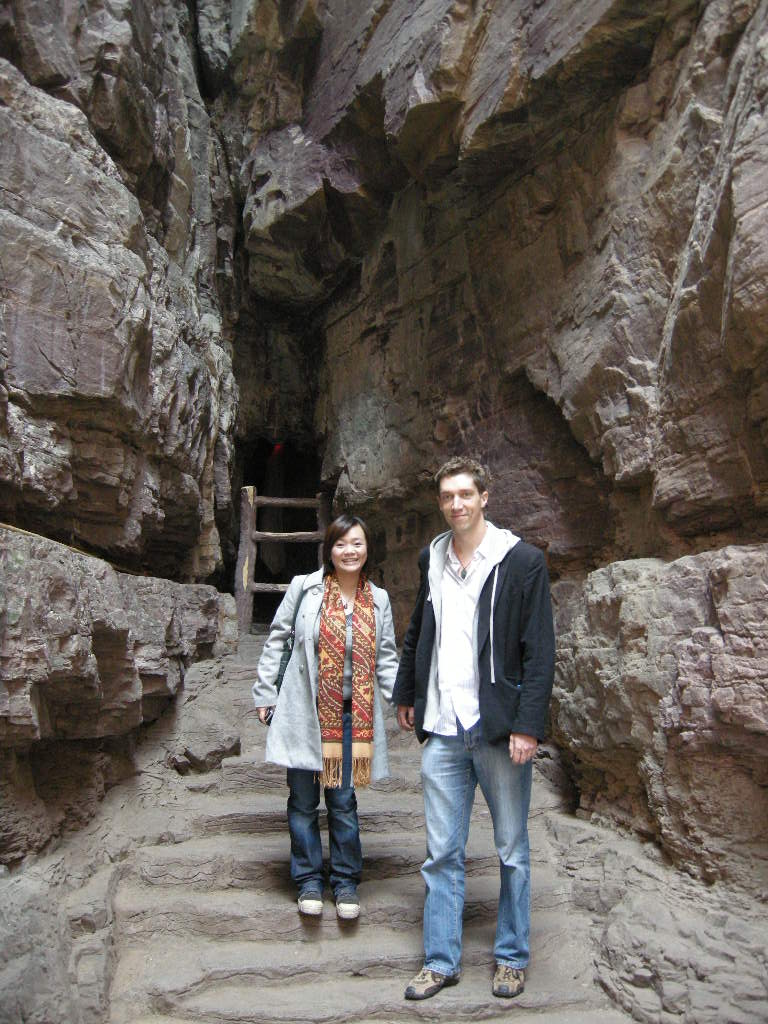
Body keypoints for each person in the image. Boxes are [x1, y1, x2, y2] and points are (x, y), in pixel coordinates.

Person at [392, 456, 555, 1000]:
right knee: (442, 852)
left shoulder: (522, 561)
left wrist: (528, 724)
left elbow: (539, 651)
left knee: (511, 848)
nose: (456, 504)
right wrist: (407, 694)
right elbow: (420, 630)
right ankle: (441, 960)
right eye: (447, 497)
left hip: (497, 728)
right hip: (442, 725)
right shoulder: (431, 558)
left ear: (485, 496)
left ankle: (511, 955)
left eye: (465, 494)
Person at [252, 513, 398, 920]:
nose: (349, 551)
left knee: (342, 801)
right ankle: (309, 881)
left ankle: (347, 881)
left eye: (356, 543)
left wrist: (404, 701)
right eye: (340, 544)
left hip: (351, 715)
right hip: (304, 711)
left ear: (367, 549)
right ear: (329, 550)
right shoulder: (306, 588)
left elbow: (386, 659)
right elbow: (278, 639)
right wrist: (265, 692)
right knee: (302, 801)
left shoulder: (379, 599)